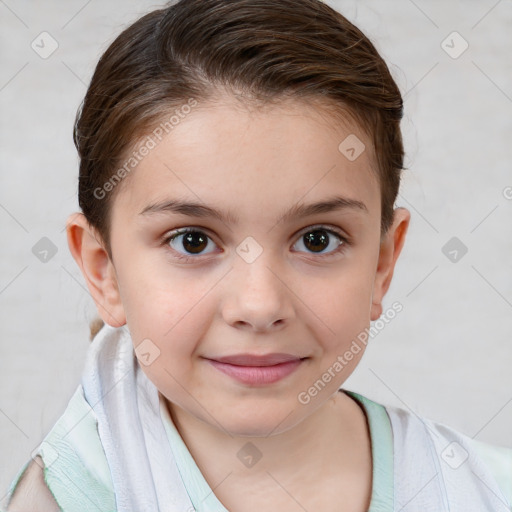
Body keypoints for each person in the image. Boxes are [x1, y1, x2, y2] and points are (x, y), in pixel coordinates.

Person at [3, 0, 511, 510]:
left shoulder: (485, 490)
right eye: (193, 240)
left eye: (317, 239)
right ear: (103, 270)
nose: (259, 305)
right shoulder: (57, 499)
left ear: (382, 263)